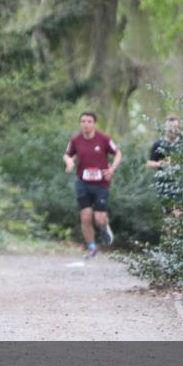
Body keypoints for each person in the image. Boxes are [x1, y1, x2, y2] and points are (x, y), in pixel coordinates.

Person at [63, 111, 121, 259]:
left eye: (89, 121)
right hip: (83, 183)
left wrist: (112, 169)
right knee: (85, 216)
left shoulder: (104, 139)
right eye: (83, 121)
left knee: (99, 218)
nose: (86, 124)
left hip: (101, 184)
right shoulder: (75, 140)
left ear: (94, 124)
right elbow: (67, 154)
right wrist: (69, 162)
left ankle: (104, 227)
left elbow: (118, 153)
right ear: (80, 123)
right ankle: (91, 247)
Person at [146, 115, 183, 217]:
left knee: (179, 214)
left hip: (182, 185)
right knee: (170, 217)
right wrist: (162, 163)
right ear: (165, 128)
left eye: (175, 127)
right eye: (170, 128)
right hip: (165, 186)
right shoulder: (158, 144)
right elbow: (149, 164)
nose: (173, 130)